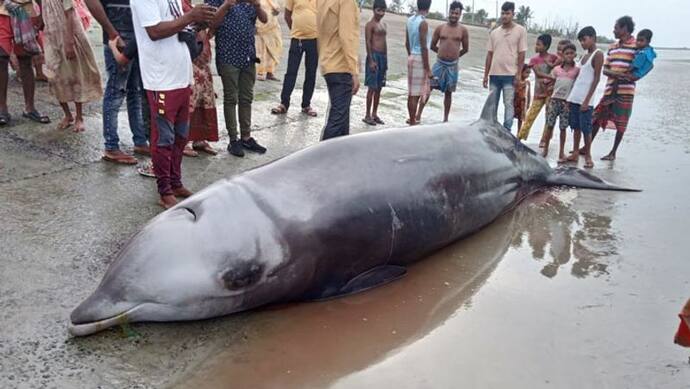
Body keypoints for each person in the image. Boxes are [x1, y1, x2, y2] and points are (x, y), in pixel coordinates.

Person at [131, 0, 215, 208]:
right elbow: (154, 31)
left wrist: (198, 22)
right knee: (164, 138)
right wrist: (190, 17)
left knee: (180, 136)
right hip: (161, 79)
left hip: (180, 76)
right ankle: (164, 190)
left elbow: (179, 26)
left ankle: (176, 183)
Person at [84, 0, 151, 165]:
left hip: (137, 37)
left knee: (135, 90)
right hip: (119, 37)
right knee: (116, 92)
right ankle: (111, 146)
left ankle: (140, 140)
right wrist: (112, 33)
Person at [208, 0, 268, 157]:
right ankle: (233, 139)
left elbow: (264, 19)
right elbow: (212, 23)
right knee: (230, 98)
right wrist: (227, 4)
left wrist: (257, 5)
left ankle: (246, 137)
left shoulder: (248, 3)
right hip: (228, 57)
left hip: (248, 57)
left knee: (246, 98)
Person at [42, 0, 102, 133]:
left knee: (75, 74)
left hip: (68, 34)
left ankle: (79, 117)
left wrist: (69, 41)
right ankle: (67, 115)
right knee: (53, 76)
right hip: (51, 36)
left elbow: (70, 13)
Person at [590, 16, 637, 161]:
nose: (614, 30)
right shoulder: (612, 47)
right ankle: (587, 146)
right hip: (610, 90)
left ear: (624, 28)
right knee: (597, 118)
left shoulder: (636, 47)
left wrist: (619, 75)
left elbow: (638, 69)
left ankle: (613, 152)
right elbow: (605, 70)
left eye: (616, 27)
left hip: (626, 91)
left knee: (621, 123)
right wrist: (619, 74)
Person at [0, 0, 50, 127]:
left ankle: (30, 108)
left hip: (26, 12)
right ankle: (2, 109)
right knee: (1, 59)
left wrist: (41, 14)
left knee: (26, 60)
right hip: (2, 13)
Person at [317, 0, 359, 140]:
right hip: (341, 65)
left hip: (329, 62)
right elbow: (347, 37)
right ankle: (321, 158)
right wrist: (354, 71)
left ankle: (341, 157)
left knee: (342, 120)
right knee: (337, 120)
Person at [482, 1, 527, 131]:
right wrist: (485, 75)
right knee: (492, 105)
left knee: (508, 104)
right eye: (502, 13)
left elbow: (522, 54)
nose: (504, 16)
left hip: (510, 75)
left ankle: (507, 130)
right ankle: (491, 128)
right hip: (494, 74)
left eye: (507, 13)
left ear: (513, 14)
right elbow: (489, 54)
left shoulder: (520, 31)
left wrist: (518, 74)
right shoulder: (494, 32)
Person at [270, 0, 318, 117]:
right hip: (297, 39)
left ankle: (306, 105)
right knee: (291, 72)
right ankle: (284, 104)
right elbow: (287, 15)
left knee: (311, 73)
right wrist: (296, 31)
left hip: (315, 41)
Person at [565, 26, 603, 169]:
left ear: (593, 38)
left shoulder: (598, 54)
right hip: (575, 97)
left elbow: (596, 79)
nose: (582, 43)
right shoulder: (583, 56)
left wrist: (587, 100)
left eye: (584, 40)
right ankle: (575, 152)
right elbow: (578, 78)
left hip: (586, 99)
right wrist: (569, 98)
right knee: (575, 127)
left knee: (586, 129)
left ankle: (588, 155)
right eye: (580, 41)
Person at [184, 0, 218, 156]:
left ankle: (199, 138)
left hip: (203, 62)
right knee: (190, 100)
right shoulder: (179, 6)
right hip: (191, 60)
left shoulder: (191, 6)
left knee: (203, 99)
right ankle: (184, 141)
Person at [430, 0, 468, 123]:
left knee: (448, 93)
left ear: (460, 15)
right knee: (428, 87)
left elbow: (466, 49)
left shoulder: (463, 30)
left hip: (452, 66)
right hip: (439, 64)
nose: (454, 15)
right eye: (452, 12)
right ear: (449, 12)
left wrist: (454, 56)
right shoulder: (441, 28)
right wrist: (442, 53)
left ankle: (445, 119)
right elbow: (432, 45)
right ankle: (418, 115)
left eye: (457, 14)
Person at [541, 42, 578, 160]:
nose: (569, 55)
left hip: (566, 103)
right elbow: (548, 81)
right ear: (562, 55)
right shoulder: (556, 69)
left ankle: (561, 152)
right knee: (549, 126)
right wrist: (547, 86)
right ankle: (545, 149)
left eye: (571, 53)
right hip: (554, 100)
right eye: (566, 53)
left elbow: (576, 86)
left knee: (563, 128)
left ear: (575, 55)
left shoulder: (576, 71)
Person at [516, 34, 557, 140]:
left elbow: (559, 67)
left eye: (539, 45)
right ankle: (520, 136)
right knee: (530, 116)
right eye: (536, 44)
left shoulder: (553, 58)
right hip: (539, 92)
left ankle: (545, 139)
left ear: (546, 46)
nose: (536, 46)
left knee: (548, 118)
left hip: (550, 93)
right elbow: (538, 74)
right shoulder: (534, 60)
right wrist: (551, 78)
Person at [405, 0, 432, 126]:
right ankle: (412, 121)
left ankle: (412, 119)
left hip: (411, 56)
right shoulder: (423, 23)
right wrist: (428, 68)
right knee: (415, 94)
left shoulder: (410, 20)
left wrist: (411, 55)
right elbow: (424, 47)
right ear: (428, 7)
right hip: (419, 58)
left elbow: (407, 43)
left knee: (411, 93)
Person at [362, 0, 387, 126]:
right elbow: (367, 42)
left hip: (383, 57)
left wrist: (386, 61)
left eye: (383, 10)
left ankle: (375, 113)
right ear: (374, 10)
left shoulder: (383, 24)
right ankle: (367, 114)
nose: (381, 13)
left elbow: (384, 42)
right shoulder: (370, 25)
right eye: (379, 10)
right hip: (374, 57)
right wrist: (371, 60)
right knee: (372, 87)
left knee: (379, 88)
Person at [255, 0, 282, 81]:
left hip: (273, 27)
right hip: (260, 27)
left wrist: (276, 11)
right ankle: (260, 72)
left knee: (275, 48)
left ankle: (270, 72)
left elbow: (276, 10)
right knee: (261, 50)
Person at [514, 65, 530, 131]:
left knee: (520, 119)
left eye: (529, 73)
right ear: (521, 72)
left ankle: (518, 132)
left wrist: (528, 104)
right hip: (515, 101)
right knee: (511, 115)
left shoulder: (527, 83)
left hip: (523, 103)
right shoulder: (516, 81)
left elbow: (528, 94)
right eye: (527, 72)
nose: (528, 75)